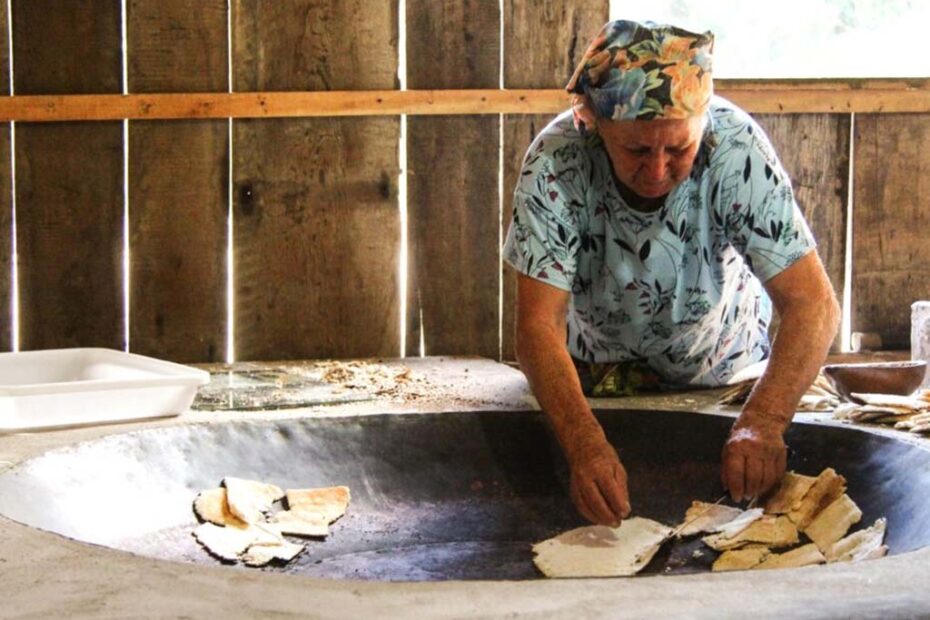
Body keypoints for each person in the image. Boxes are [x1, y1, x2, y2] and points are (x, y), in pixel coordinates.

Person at [502, 20, 841, 526]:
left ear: (702, 126)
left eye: (679, 149)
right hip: (595, 377)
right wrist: (584, 442)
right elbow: (537, 326)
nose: (658, 170)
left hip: (719, 375)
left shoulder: (735, 149)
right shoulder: (556, 164)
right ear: (593, 123)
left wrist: (765, 421)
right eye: (637, 150)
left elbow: (813, 305)